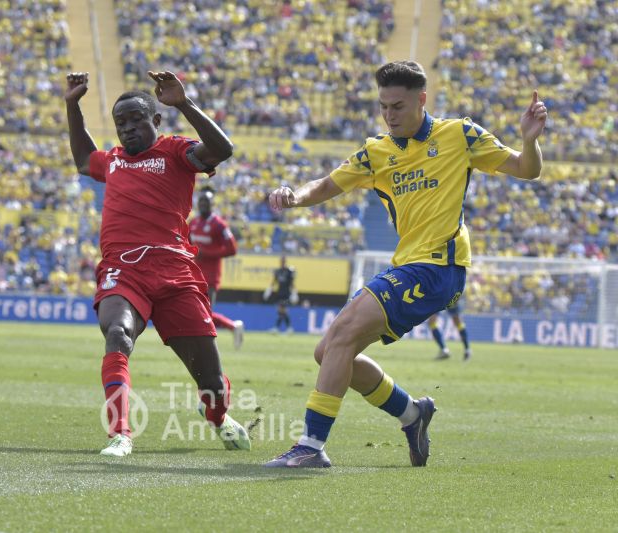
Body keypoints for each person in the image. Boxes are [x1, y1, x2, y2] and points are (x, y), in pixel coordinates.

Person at [264, 61, 546, 468]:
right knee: (329, 352)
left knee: (341, 333)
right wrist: (295, 195)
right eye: (383, 107)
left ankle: (310, 446)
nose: (390, 115)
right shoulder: (375, 151)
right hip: (409, 264)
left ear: (422, 100)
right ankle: (412, 414)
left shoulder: (460, 135)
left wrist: (529, 140)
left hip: (440, 267)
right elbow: (325, 185)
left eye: (397, 106)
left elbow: (527, 169)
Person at [65, 70, 250, 457]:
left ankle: (216, 415)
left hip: (175, 273)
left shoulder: (175, 151)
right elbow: (83, 159)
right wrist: (72, 104)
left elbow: (223, 149)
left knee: (212, 381)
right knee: (118, 334)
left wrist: (184, 103)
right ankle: (120, 434)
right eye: (121, 123)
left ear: (156, 120)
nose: (128, 129)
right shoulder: (112, 161)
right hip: (124, 270)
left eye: (136, 119)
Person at [188, 187, 244, 349]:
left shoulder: (219, 225)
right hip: (193, 274)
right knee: (199, 312)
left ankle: (208, 343)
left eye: (207, 201)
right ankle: (232, 327)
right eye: (201, 201)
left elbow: (232, 249)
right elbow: (187, 243)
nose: (204, 204)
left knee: (204, 313)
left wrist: (206, 253)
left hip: (211, 277)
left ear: (212, 204)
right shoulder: (194, 223)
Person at [264, 255, 297, 333]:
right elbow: (274, 282)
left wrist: (294, 293)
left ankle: (278, 327)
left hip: (286, 293)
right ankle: (288, 328)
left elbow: (292, 283)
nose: (282, 262)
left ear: (285, 261)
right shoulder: (278, 271)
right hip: (279, 293)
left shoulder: (289, 271)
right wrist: (269, 290)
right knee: (281, 311)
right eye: (281, 261)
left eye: (284, 261)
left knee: (282, 310)